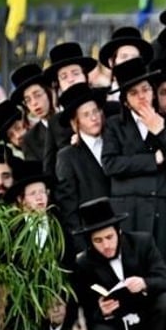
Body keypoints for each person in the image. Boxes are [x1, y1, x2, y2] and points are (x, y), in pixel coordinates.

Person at [70, 198, 166, 330]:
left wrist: (144, 283)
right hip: (113, 321)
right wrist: (101, 311)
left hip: (145, 310)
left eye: (109, 237)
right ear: (90, 241)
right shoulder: (84, 262)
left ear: (118, 232)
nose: (105, 245)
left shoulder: (142, 243)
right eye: (98, 240)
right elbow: (81, 307)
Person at [102, 58, 166, 268]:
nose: (142, 97)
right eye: (134, 93)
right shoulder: (115, 125)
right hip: (129, 211)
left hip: (163, 211)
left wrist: (159, 131)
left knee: (164, 271)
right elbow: (111, 164)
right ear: (125, 101)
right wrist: (153, 160)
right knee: (132, 271)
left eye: (145, 90)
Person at [53, 83, 110, 240]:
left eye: (95, 111)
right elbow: (68, 209)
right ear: (75, 123)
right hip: (93, 236)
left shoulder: (115, 142)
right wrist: (81, 249)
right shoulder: (67, 157)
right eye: (86, 115)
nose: (94, 118)